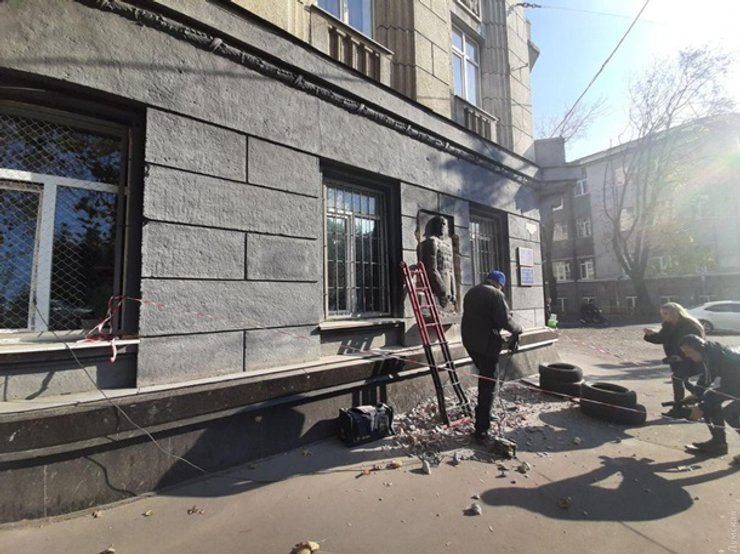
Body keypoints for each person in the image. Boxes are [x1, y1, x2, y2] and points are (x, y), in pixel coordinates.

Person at [461, 270, 522, 444]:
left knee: (485, 377)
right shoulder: (496, 294)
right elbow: (505, 321)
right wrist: (518, 329)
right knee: (488, 385)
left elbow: (480, 317)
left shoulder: (472, 291)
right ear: (499, 284)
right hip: (486, 345)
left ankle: (485, 412)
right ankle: (482, 429)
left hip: (470, 343)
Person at [678, 334, 740, 462]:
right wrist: (697, 394)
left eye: (688, 352)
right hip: (735, 384)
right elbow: (707, 377)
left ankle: (718, 443)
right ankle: (718, 444)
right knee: (709, 401)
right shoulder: (710, 354)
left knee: (730, 414)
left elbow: (729, 387)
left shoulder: (723, 359)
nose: (686, 355)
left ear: (698, 348)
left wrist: (702, 406)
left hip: (735, 384)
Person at [643, 302, 705, 416]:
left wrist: (682, 356)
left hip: (690, 358)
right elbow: (661, 338)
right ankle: (702, 400)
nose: (664, 316)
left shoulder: (689, 325)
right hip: (675, 358)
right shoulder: (667, 325)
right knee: (684, 381)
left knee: (677, 379)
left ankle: (678, 408)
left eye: (666, 313)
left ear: (675, 313)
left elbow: (697, 344)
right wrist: (650, 335)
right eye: (662, 314)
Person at [418, 215, 457, 310]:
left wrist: (453, 291)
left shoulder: (448, 245)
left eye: (445, 224)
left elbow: (451, 270)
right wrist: (442, 289)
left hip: (448, 287)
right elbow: (432, 269)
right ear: (435, 226)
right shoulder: (432, 242)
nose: (443, 226)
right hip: (437, 288)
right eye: (440, 224)